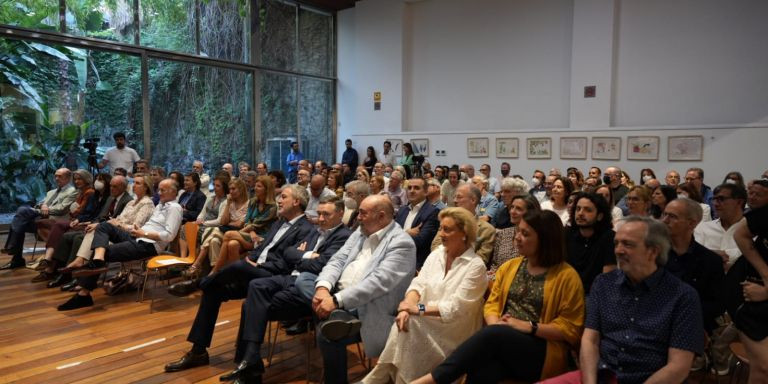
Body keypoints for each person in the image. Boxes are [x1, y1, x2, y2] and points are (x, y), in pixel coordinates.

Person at [165, 197, 352, 381]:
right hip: (263, 273)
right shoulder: (282, 223)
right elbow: (279, 251)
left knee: (241, 275)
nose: (319, 218)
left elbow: (291, 262)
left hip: (277, 277)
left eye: (284, 197)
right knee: (214, 290)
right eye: (318, 214)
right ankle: (199, 351)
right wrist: (255, 258)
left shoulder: (308, 228)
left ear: (297, 202)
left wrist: (299, 256)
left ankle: (199, 283)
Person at [413, 210, 585, 383]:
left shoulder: (567, 276)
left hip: (542, 348)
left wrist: (529, 326)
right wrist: (496, 326)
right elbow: (492, 305)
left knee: (492, 339)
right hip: (500, 339)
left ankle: (431, 380)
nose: (517, 237)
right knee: (482, 371)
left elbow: (570, 327)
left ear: (545, 239)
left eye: (525, 234)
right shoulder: (510, 267)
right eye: (518, 231)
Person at [542, 216, 704, 384]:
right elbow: (590, 340)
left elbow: (679, 366)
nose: (618, 250)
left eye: (628, 244)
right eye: (616, 243)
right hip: (602, 376)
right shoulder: (604, 283)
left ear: (653, 251)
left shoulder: (682, 296)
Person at [363, 208, 487, 383]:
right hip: (425, 317)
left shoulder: (475, 266)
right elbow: (418, 284)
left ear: (464, 234)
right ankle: (392, 377)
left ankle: (385, 376)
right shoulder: (437, 255)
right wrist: (407, 307)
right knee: (405, 320)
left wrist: (416, 309)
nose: (441, 234)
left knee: (411, 323)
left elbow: (456, 308)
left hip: (454, 328)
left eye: (448, 230)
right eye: (440, 228)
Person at [309, 194, 416, 383]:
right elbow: (338, 260)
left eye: (362, 213)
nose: (357, 217)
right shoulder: (361, 232)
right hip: (338, 295)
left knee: (327, 335)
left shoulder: (402, 243)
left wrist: (335, 301)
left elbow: (378, 282)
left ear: (381, 216)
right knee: (304, 281)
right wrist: (323, 289)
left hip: (369, 308)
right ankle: (334, 313)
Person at [57, 178, 183, 310]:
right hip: (137, 237)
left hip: (148, 245)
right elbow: (143, 227)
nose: (159, 192)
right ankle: (98, 260)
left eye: (163, 190)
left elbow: (169, 236)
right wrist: (132, 230)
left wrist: (143, 234)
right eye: (159, 189)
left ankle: (83, 295)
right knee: (104, 226)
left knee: (105, 250)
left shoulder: (175, 208)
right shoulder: (160, 205)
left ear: (173, 192)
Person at [662, 199, 726, 352]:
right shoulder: (652, 254)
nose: (664, 220)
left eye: (673, 216)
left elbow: (717, 304)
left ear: (691, 224)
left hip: (690, 324)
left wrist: (684, 318)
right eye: (664, 214)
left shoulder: (710, 261)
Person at [2, 168, 78, 270]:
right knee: (19, 223)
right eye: (55, 176)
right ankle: (17, 258)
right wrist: (42, 205)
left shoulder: (72, 192)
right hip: (42, 219)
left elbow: (61, 209)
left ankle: (14, 252)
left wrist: (46, 208)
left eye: (60, 176)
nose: (56, 178)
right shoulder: (51, 192)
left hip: (55, 221)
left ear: (68, 178)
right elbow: (39, 204)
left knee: (22, 211)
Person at [31, 170, 99, 283]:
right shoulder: (80, 192)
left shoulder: (89, 192)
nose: (77, 181)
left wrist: (76, 218)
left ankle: (50, 265)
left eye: (79, 179)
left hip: (84, 222)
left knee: (59, 227)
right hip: (74, 220)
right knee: (47, 224)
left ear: (86, 179)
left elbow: (83, 212)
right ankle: (50, 266)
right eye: (75, 179)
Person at [733, 190, 768, 381]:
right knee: (763, 368)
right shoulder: (764, 214)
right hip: (752, 295)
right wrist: (766, 274)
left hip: (762, 293)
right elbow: (740, 234)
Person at [432, 184, 495, 265]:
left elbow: (481, 259)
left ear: (473, 200)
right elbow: (435, 246)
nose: (454, 200)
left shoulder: (487, 230)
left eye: (459, 197)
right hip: (441, 265)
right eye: (454, 197)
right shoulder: (447, 222)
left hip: (466, 271)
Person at [566, 192, 616, 294]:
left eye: (587, 210)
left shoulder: (609, 237)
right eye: (578, 209)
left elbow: (608, 277)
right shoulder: (566, 234)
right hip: (568, 292)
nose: (580, 213)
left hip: (595, 294)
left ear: (599, 216)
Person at [490, 194, 541, 280]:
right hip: (498, 281)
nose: (512, 211)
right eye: (512, 207)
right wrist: (492, 273)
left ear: (530, 213)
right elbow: (495, 264)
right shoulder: (503, 233)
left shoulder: (536, 236)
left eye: (518, 209)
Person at [395, 177, 440, 269]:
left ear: (426, 192)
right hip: (395, 257)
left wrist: (397, 235)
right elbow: (390, 234)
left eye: (416, 188)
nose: (412, 191)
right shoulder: (402, 210)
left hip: (415, 263)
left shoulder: (433, 212)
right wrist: (406, 233)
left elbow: (420, 241)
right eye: (409, 188)